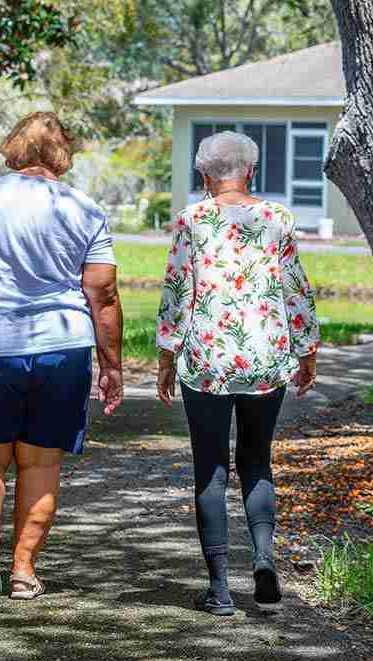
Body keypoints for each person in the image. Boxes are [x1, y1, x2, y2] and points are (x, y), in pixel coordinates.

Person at [0, 111, 124, 601]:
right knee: (39, 464)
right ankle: (23, 571)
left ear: (14, 148)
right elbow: (104, 293)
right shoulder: (85, 209)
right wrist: (111, 363)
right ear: (63, 154)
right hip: (61, 349)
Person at [155, 131, 320, 616]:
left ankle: (221, 588)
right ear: (250, 170)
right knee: (256, 461)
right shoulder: (276, 218)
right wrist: (306, 349)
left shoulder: (192, 220)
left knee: (210, 467)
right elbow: (295, 288)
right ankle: (265, 560)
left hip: (207, 358)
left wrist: (166, 357)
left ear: (204, 174)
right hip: (265, 357)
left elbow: (176, 291)